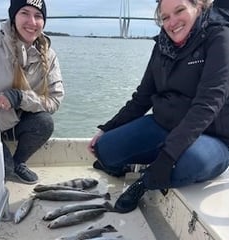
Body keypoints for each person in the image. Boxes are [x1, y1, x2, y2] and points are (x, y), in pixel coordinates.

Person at [88, 0, 229, 213]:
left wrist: (168, 156)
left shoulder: (219, 38)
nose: (173, 22)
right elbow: (142, 98)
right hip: (163, 125)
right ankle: (150, 161)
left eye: (179, 10)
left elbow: (208, 103)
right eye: (165, 17)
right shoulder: (161, 46)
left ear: (198, 7)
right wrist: (107, 127)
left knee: (190, 162)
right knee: (105, 149)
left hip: (210, 136)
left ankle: (145, 181)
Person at [0, 0, 64, 184]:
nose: (32, 21)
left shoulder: (49, 55)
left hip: (14, 122)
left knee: (44, 122)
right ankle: (7, 164)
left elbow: (54, 100)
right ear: (13, 16)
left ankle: (18, 162)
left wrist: (20, 98)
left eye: (38, 16)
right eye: (24, 13)